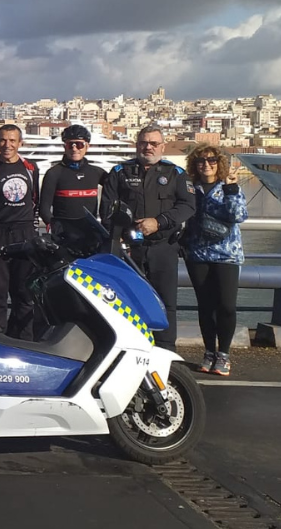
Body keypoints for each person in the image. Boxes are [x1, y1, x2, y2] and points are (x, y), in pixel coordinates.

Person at [100, 125, 196, 351]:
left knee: (165, 302)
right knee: (127, 301)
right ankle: (130, 349)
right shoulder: (119, 173)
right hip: (129, 249)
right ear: (137, 145)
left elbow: (188, 206)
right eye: (144, 142)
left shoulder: (175, 174)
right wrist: (123, 233)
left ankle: (165, 351)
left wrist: (159, 222)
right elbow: (106, 211)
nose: (148, 147)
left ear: (162, 146)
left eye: (154, 143)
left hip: (163, 247)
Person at [182, 147, 247, 376]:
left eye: (211, 160)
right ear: (194, 164)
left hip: (227, 253)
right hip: (197, 253)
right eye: (201, 160)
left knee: (227, 305)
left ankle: (225, 353)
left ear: (219, 163)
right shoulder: (190, 188)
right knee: (205, 306)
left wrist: (231, 188)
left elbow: (238, 215)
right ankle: (209, 351)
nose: (206, 164)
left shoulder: (228, 187)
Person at [0, 124, 41, 340]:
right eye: (3, 140)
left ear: (20, 143)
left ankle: (24, 341)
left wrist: (35, 234)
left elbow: (36, 203)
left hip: (24, 234)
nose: (8, 145)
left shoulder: (31, 169)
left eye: (12, 140)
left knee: (24, 293)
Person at [39, 124, 105, 232]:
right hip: (64, 235)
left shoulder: (97, 172)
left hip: (90, 234)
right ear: (64, 146)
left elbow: (116, 192)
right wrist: (55, 227)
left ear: (87, 146)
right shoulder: (54, 173)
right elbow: (44, 210)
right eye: (70, 145)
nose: (74, 149)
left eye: (79, 145)